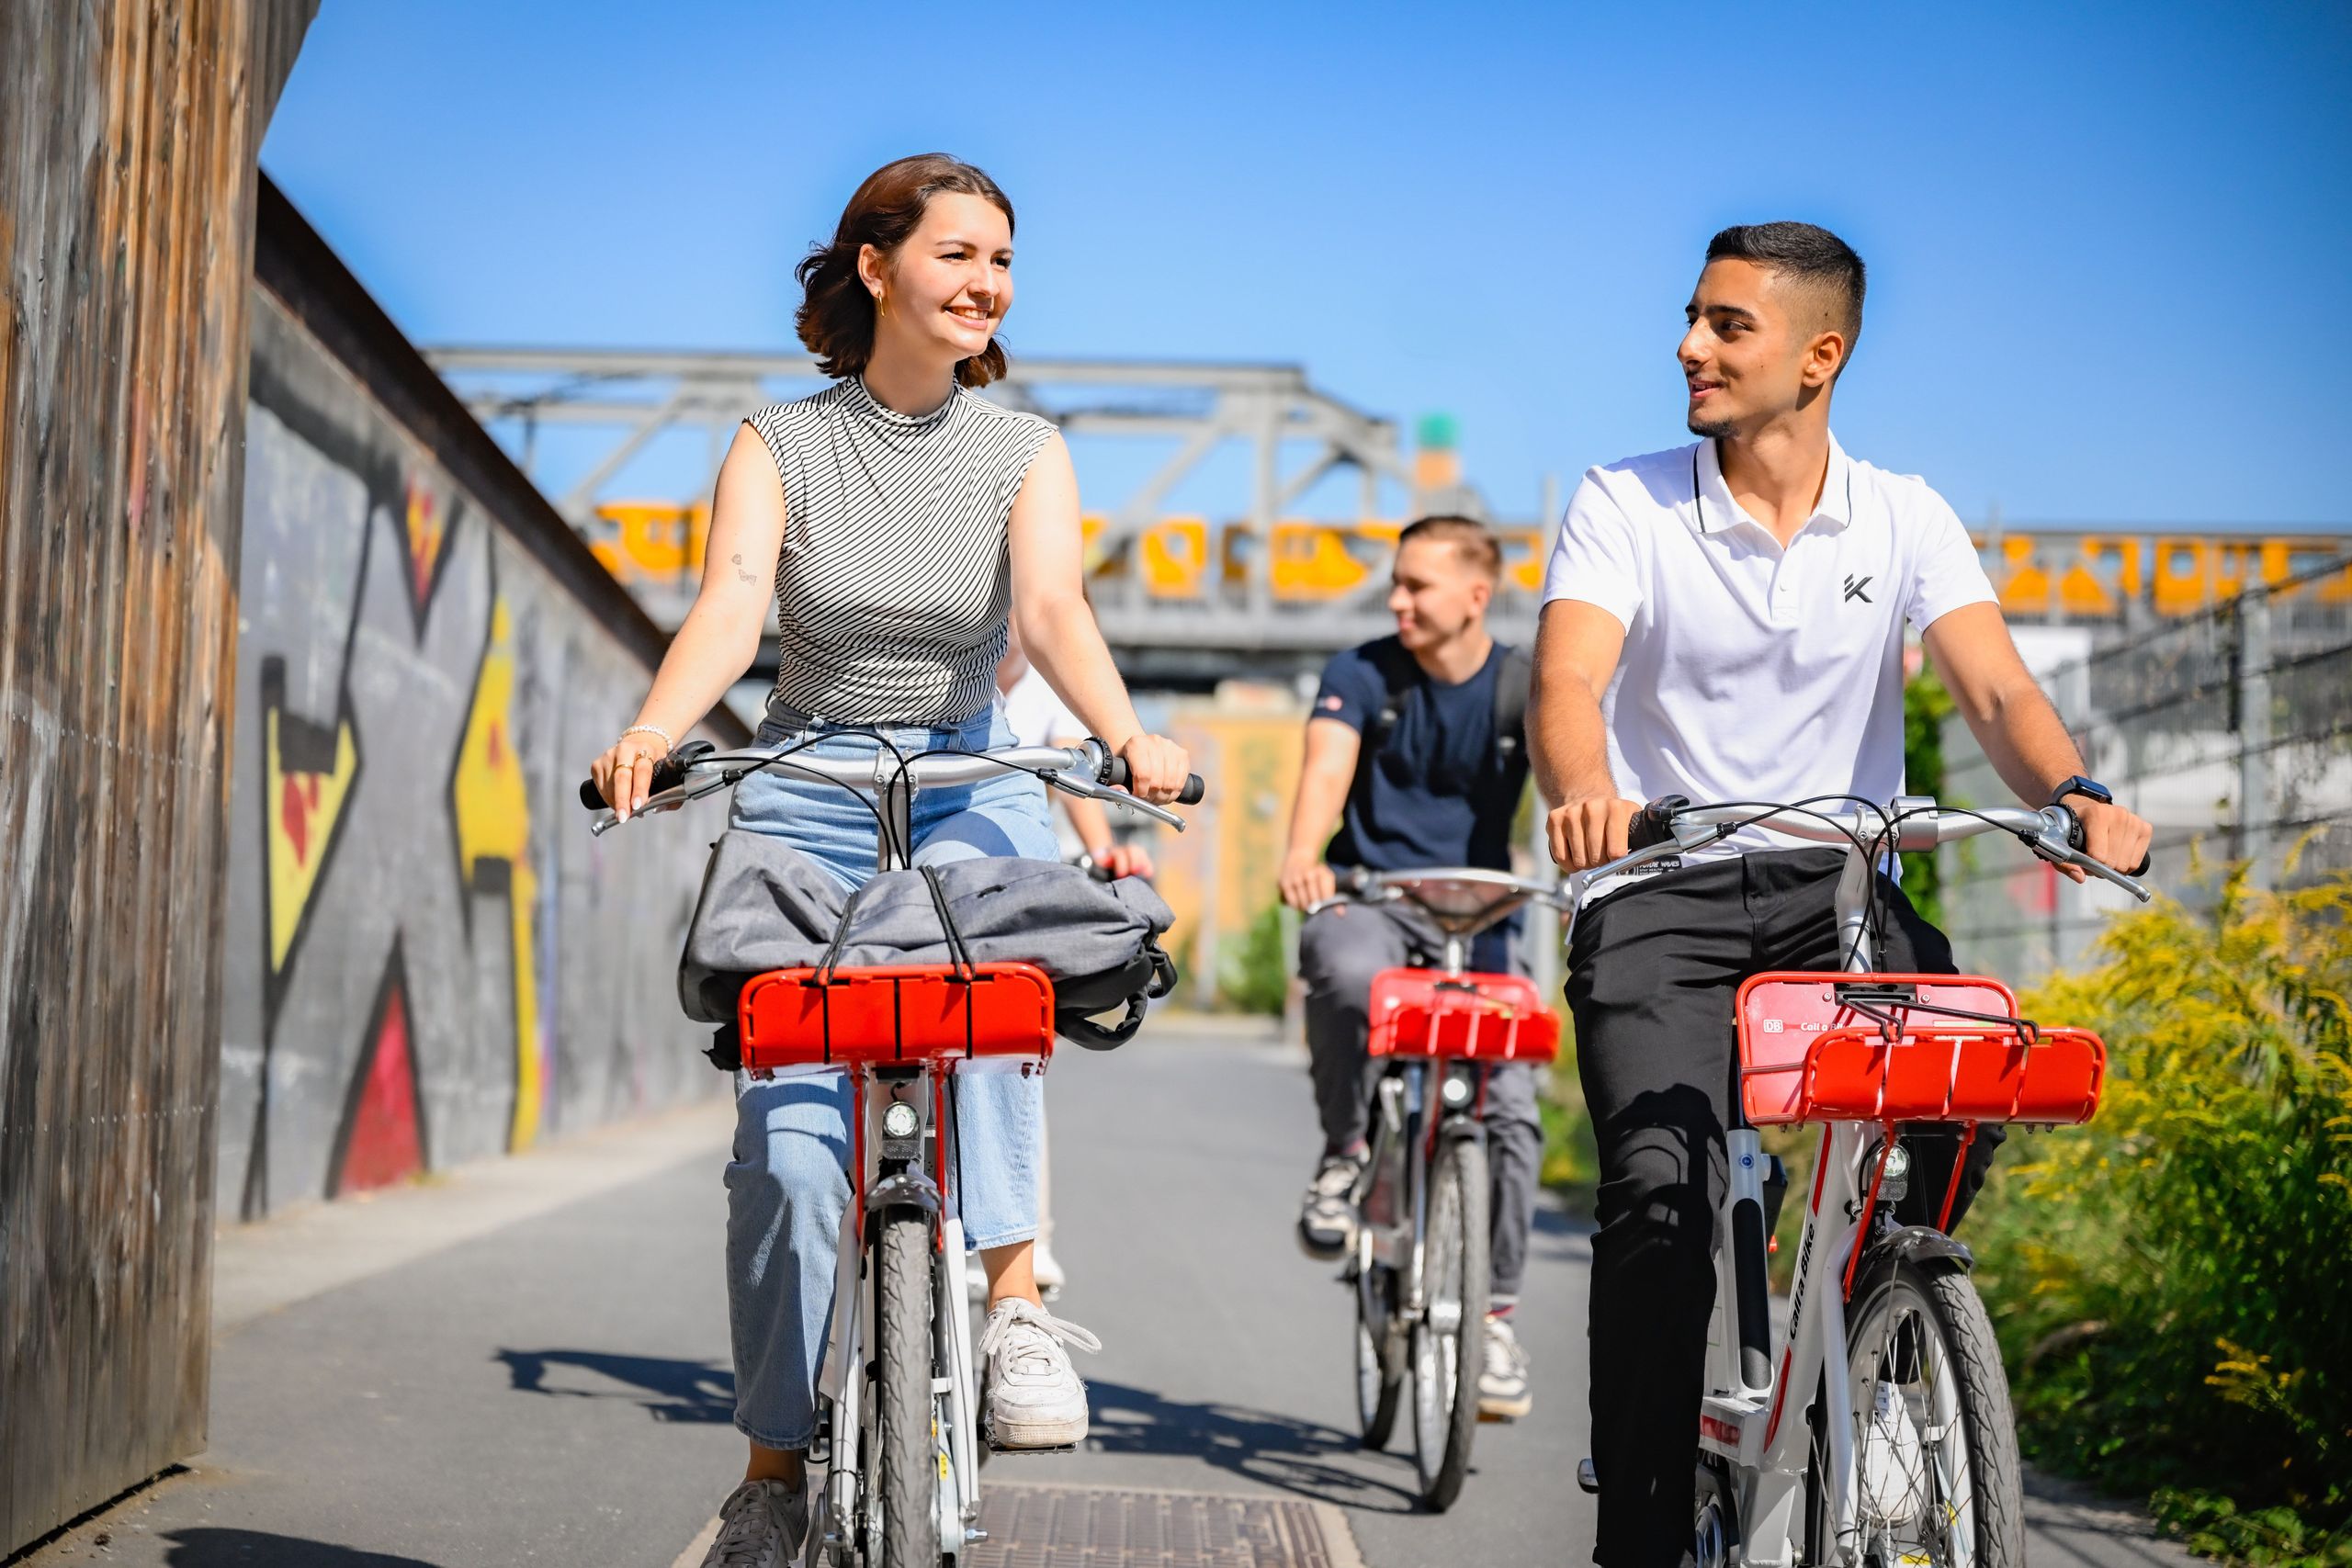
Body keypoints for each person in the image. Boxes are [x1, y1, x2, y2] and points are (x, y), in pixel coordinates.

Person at [588, 153, 1191, 1568]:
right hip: (803, 789)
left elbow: (1049, 605)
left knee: (995, 1002)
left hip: (974, 778)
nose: (987, 283)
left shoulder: (1023, 447)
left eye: (1003, 261)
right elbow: (735, 602)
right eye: (959, 254)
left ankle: (1018, 1302)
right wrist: (658, 730)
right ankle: (772, 1472)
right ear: (877, 268)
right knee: (791, 1152)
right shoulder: (779, 442)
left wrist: (1124, 735)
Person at [1532, 220, 2154, 1565]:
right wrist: (1587, 793)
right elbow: (1568, 683)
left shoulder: (1903, 514)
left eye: (1726, 325)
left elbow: (1994, 685)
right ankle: (1637, 1527)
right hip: (1662, 884)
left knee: (1969, 1077)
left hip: (1840, 887)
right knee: (1659, 1196)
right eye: (1691, 318)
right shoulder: (1625, 499)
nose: (1690, 345)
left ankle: (1878, 1326)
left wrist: (2077, 789)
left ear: (1821, 357)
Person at [1275, 514, 1547, 1421]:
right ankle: (1348, 1151)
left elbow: (1567, 782)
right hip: (1371, 895)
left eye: (1416, 586)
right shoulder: (1363, 674)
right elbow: (1323, 771)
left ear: (1477, 595)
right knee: (1348, 973)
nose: (1397, 601)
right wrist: (1303, 853)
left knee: (1508, 1108)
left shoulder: (1520, 686)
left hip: (1479, 914)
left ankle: (1494, 1316)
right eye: (1395, 583)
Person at [991, 626, 1156, 1297]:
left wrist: (1107, 846)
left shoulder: (1044, 686)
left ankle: (1035, 1238)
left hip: (1019, 878)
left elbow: (1072, 773)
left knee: (1011, 1058)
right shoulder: (925, 672)